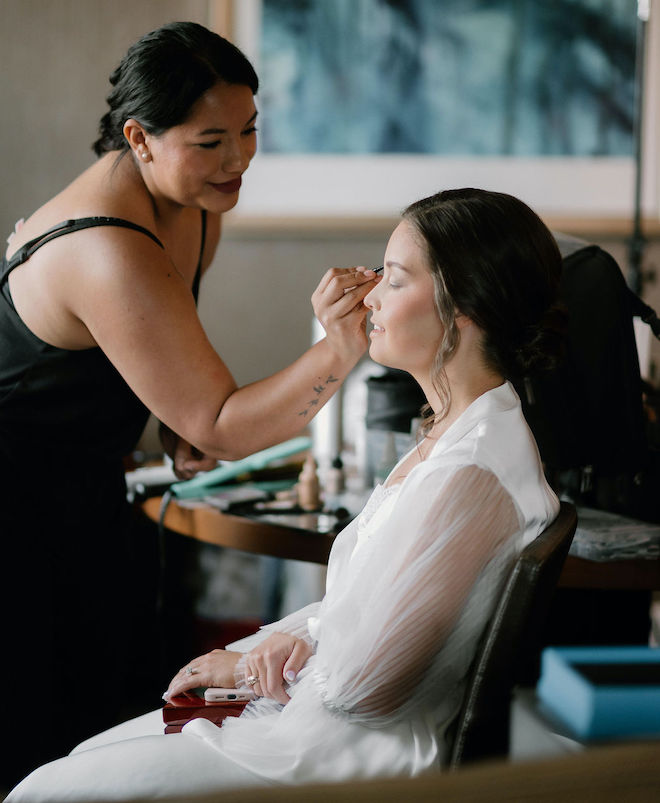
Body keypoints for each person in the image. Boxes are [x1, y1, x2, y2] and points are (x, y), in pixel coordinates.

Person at [8, 187, 564, 800]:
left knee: (46, 792)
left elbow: (364, 689)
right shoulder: (458, 432)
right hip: (312, 725)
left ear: (465, 306)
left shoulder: (472, 473)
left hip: (334, 758)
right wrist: (270, 649)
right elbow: (362, 611)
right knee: (67, 768)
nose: (372, 297)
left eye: (395, 280)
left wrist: (248, 669)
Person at [0, 21, 374, 788]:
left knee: (109, 717)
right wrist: (338, 348)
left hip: (91, 489)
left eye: (249, 130)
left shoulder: (195, 202)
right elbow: (224, 424)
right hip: (14, 506)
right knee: (35, 738)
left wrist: (171, 415)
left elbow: (164, 367)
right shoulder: (105, 246)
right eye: (210, 141)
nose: (238, 160)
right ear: (138, 138)